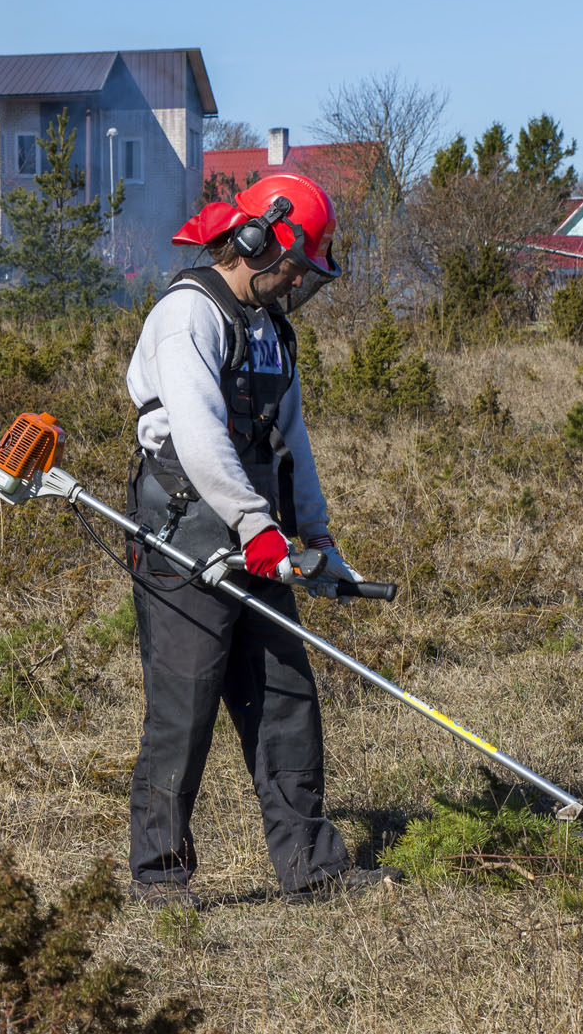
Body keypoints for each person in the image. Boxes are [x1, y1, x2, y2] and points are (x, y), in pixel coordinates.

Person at [122, 172, 400, 910]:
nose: (298, 284)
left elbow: (291, 444)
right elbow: (201, 436)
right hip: (185, 540)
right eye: (296, 267)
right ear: (257, 240)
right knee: (182, 711)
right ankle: (159, 877)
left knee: (285, 704)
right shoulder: (188, 316)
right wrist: (255, 527)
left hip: (261, 539)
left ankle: (313, 866)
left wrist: (318, 538)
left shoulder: (273, 333)